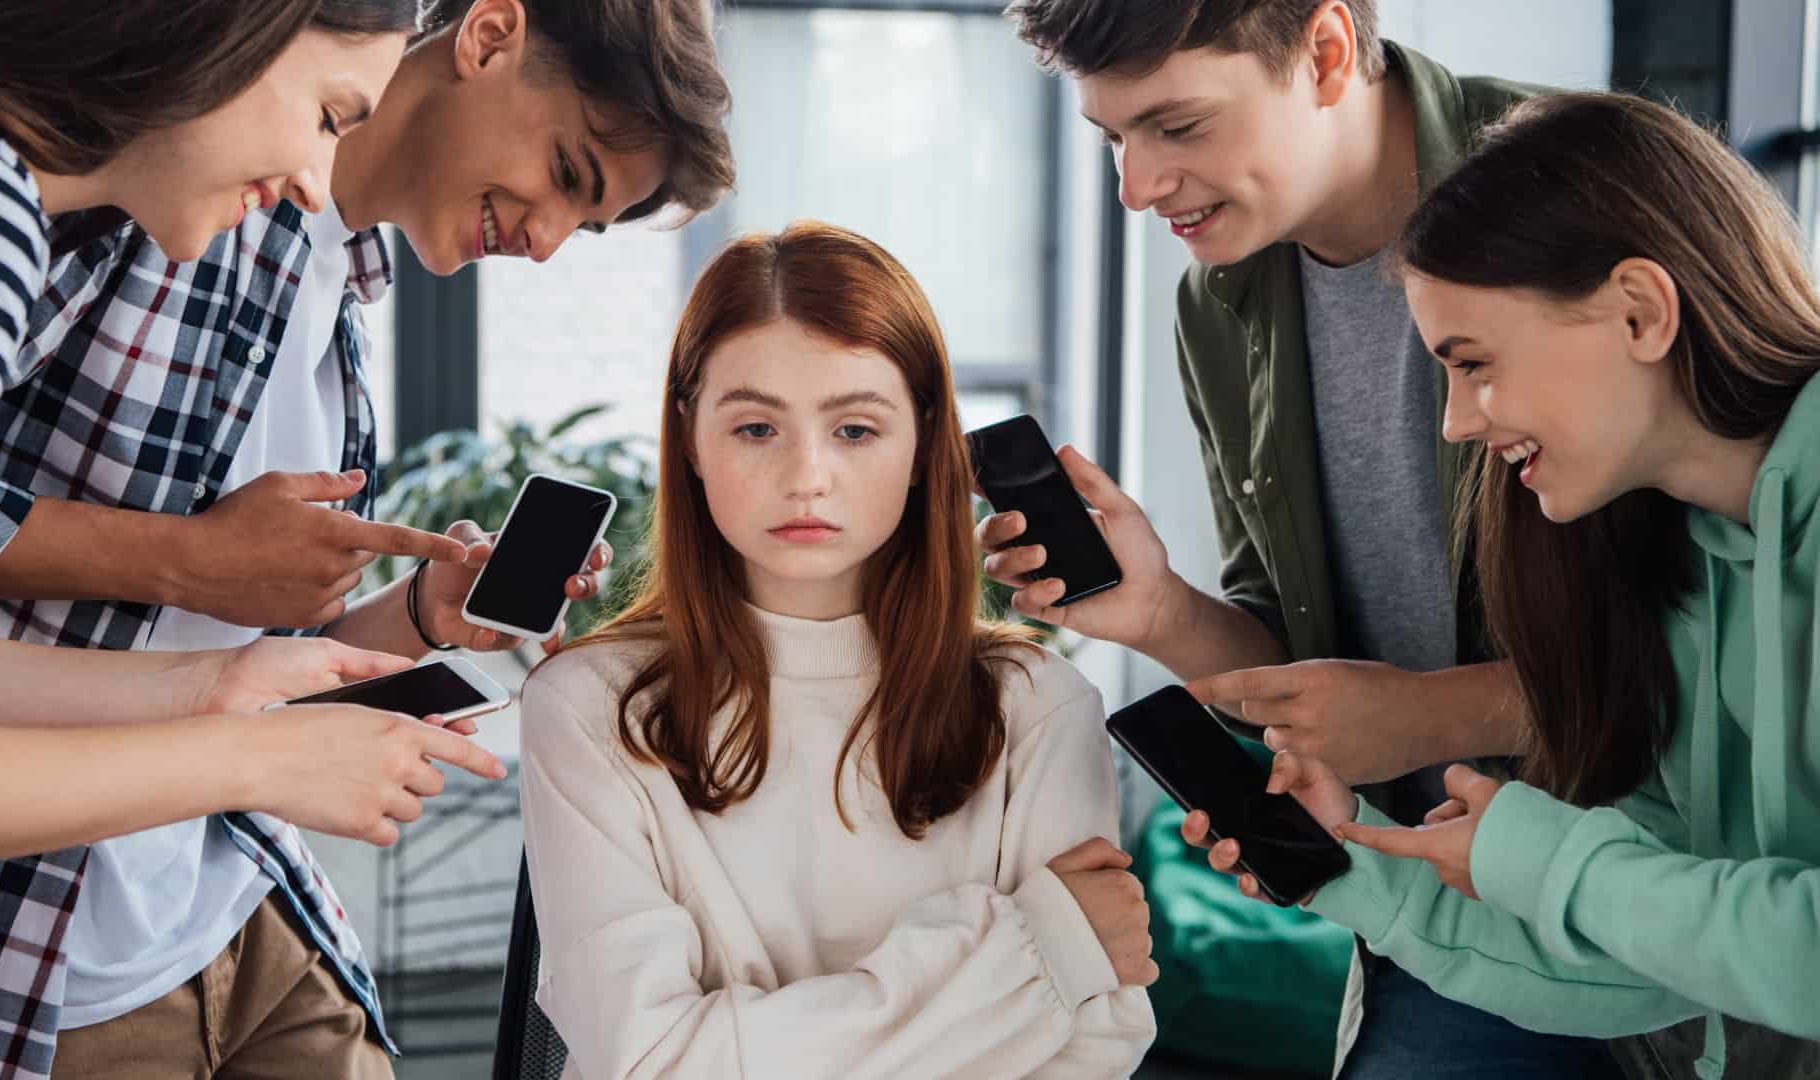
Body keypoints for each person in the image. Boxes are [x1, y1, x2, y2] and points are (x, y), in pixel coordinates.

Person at [990, 0, 1616, 1074]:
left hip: (1657, 888)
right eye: (1112, 139)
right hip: (1435, 905)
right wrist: (1162, 613)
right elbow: (1298, 660)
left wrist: (1430, 715)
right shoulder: (1220, 303)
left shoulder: (1590, 188)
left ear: (1326, 52)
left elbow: (1738, 648)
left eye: (1178, 127)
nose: (1137, 188)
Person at [0, 4, 518, 1079]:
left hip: (222, 899)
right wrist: (253, 752)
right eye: (328, 115)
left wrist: (218, 687)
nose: (320, 185)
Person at [1185, 91, 1820, 1080]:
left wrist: (1542, 855)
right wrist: (1347, 861)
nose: (1456, 424)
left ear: (1641, 311)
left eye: (1474, 364)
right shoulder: (1680, 569)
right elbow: (1652, 966)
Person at [519, 222, 1157, 1077]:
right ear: (692, 439)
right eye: (755, 429)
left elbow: (1090, 1053)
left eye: (855, 429)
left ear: (927, 443)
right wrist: (1040, 954)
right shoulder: (590, 705)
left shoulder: (1039, 705)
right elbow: (649, 1061)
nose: (806, 477)